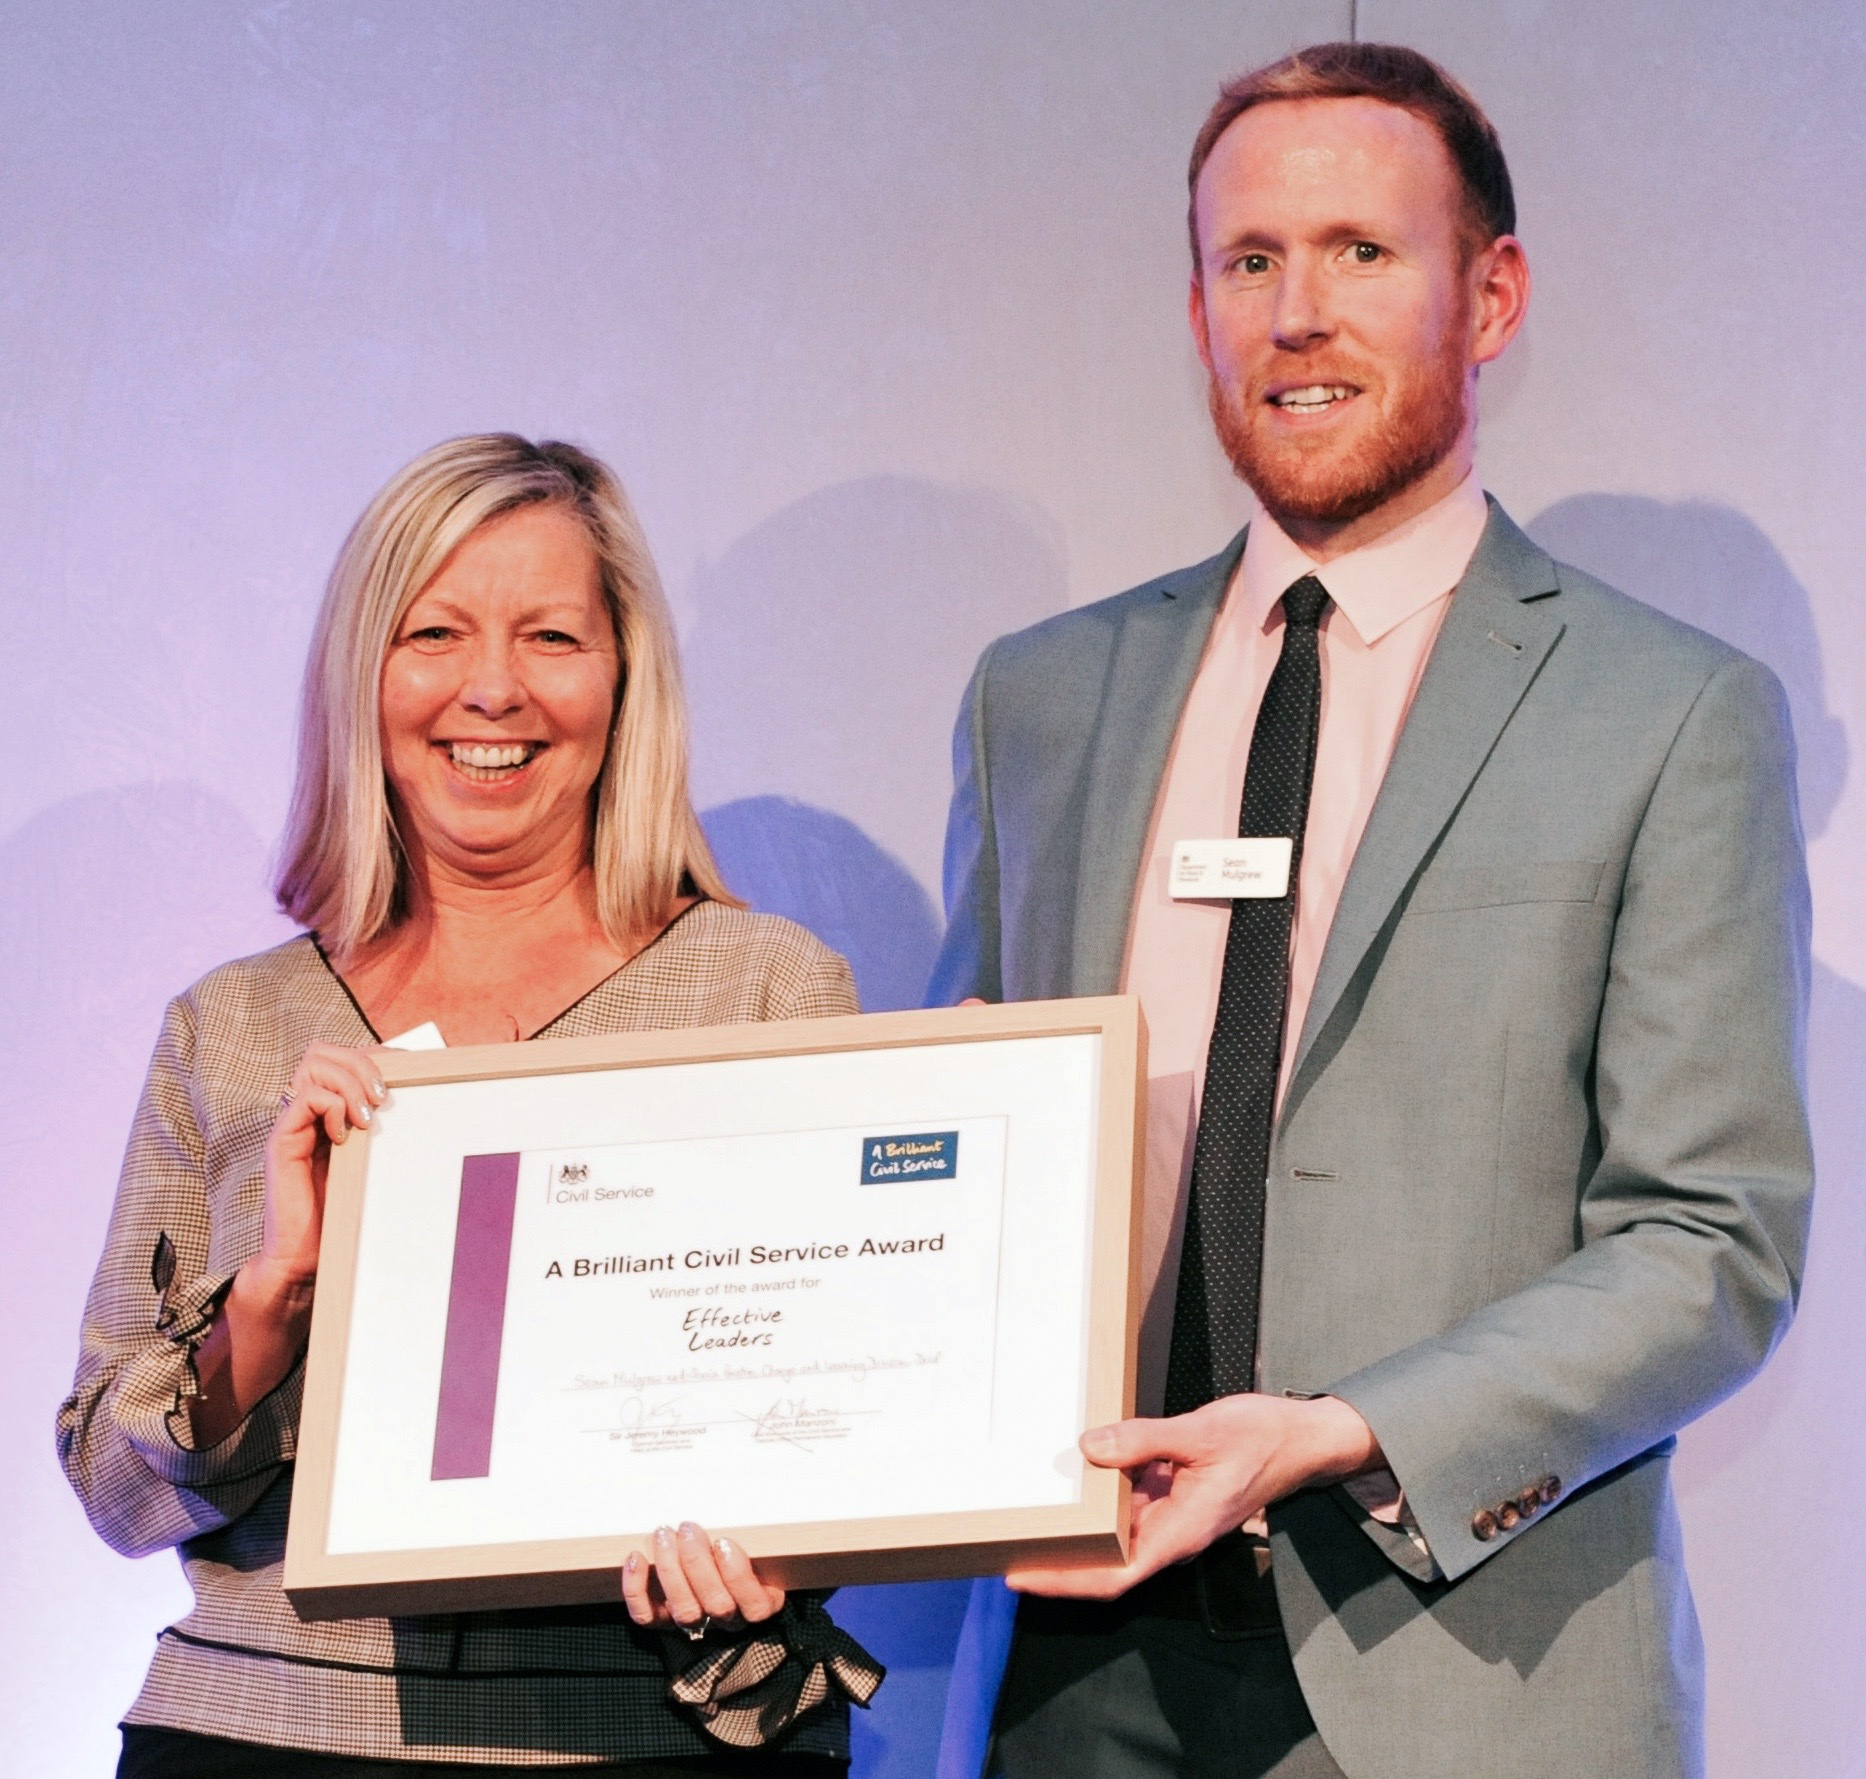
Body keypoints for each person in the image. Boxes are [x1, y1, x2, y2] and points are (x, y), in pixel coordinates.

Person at [929, 41, 1812, 1779]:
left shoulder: (1669, 710)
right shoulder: (1039, 697)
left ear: (1490, 297)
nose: (1296, 314)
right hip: (1068, 1668)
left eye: (1359, 253)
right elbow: (967, 1145)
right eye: (1248, 262)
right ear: (1195, 313)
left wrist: (1341, 1433)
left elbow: (1711, 1244)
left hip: (1472, 1674)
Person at [59, 434, 881, 1777]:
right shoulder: (234, 1024)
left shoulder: (766, 992)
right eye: (432, 632)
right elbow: (111, 1486)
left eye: (551, 636)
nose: (491, 689)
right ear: (361, 679)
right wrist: (271, 1295)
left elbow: (843, 1415)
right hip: (266, 1731)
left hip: (649, 1734)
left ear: (624, 680)